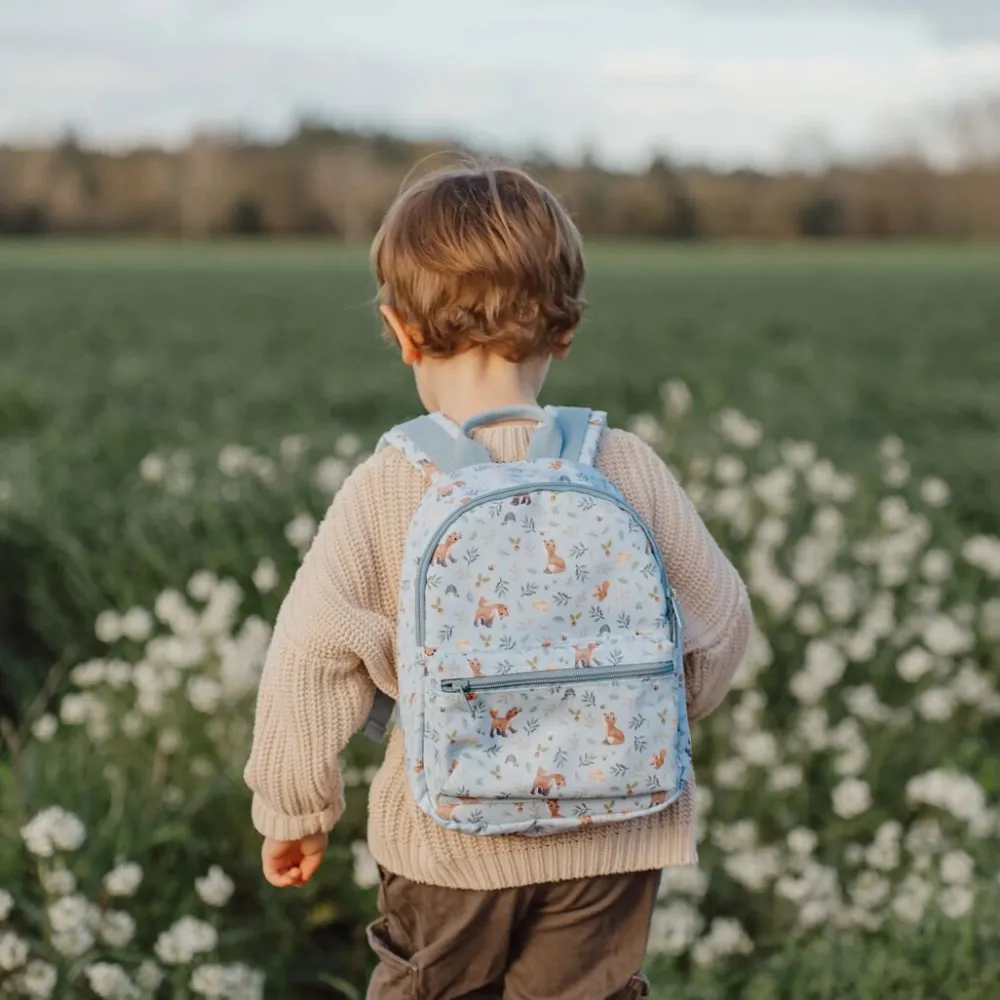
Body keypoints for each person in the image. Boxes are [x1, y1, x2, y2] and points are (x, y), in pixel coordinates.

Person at [244, 162, 753, 1000]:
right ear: (566, 329)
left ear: (400, 331)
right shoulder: (623, 463)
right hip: (615, 831)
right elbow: (721, 621)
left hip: (448, 841)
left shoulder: (391, 484)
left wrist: (295, 809)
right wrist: (634, 715)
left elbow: (310, 655)